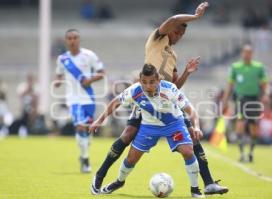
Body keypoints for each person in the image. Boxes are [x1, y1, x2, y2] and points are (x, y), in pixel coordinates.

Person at [92, 1, 228, 195]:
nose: (178, 36)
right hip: (146, 98)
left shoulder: (173, 54)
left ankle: (207, 183)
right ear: (170, 30)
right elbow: (173, 19)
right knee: (128, 133)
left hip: (165, 99)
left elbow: (175, 87)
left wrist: (187, 73)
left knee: (192, 136)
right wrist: (196, 17)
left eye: (182, 35)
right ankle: (102, 174)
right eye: (177, 32)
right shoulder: (157, 38)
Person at [90, 65, 204, 198]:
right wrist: (99, 120)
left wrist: (196, 126)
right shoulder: (135, 90)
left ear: (158, 81)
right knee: (131, 158)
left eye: (151, 82)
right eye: (144, 82)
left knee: (188, 151)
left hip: (173, 124)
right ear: (140, 81)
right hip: (149, 126)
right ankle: (119, 182)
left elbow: (192, 111)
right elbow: (115, 102)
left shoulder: (169, 89)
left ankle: (195, 190)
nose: (147, 86)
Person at [54, 29, 105, 173]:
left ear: (79, 39)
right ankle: (85, 160)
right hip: (73, 99)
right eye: (69, 38)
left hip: (88, 97)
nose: (72, 40)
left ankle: (84, 151)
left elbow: (102, 73)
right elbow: (58, 75)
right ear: (66, 40)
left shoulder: (89, 55)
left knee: (87, 131)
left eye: (75, 37)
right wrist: (57, 81)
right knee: (80, 127)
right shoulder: (62, 59)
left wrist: (89, 80)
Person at [222, 44, 270, 162]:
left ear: (252, 54)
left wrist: (266, 95)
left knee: (253, 125)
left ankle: (251, 152)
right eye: (245, 52)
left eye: (249, 52)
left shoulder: (258, 67)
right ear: (242, 53)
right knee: (240, 123)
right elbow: (230, 84)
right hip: (241, 99)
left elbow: (265, 83)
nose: (246, 54)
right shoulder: (236, 67)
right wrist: (225, 99)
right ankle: (242, 153)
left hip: (254, 99)